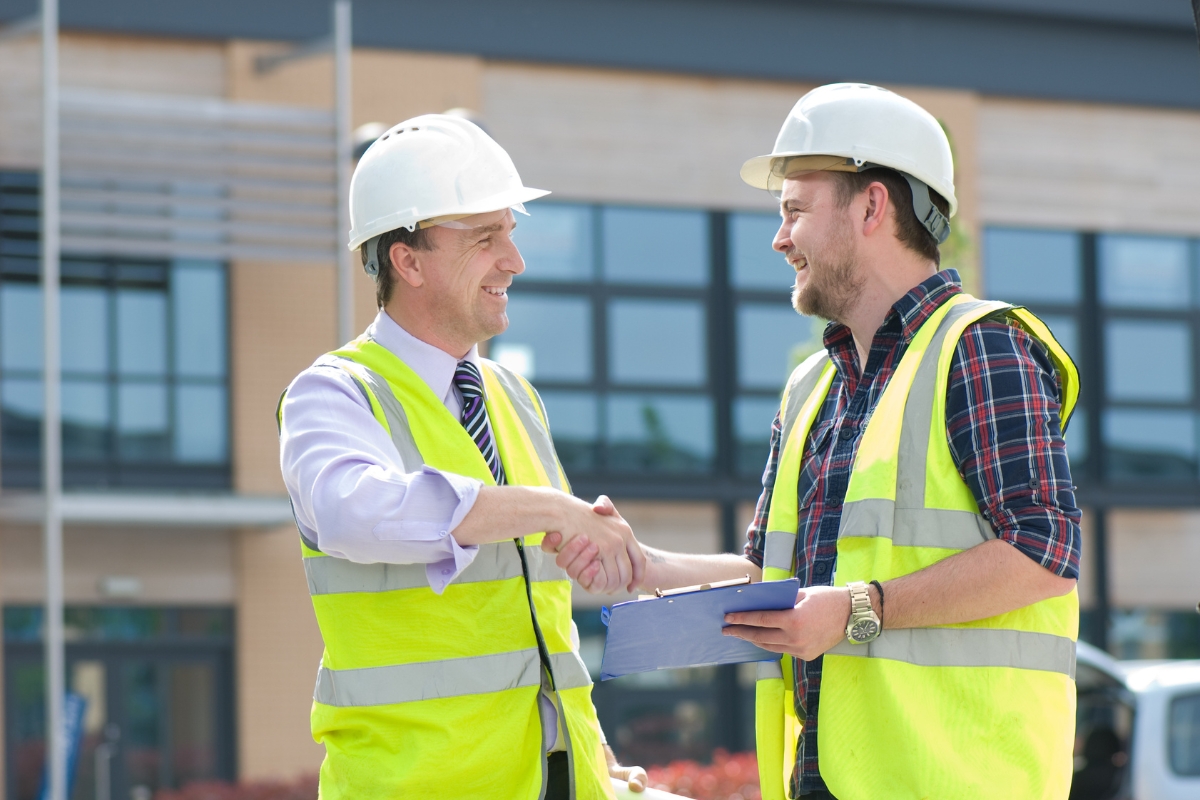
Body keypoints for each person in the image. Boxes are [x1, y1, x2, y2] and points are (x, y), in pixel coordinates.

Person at [552, 83, 1082, 800]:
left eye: (794, 211)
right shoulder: (813, 388)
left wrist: (860, 608)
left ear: (871, 207)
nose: (778, 239)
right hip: (826, 778)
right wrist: (645, 565)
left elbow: (1043, 552)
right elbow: (777, 582)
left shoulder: (982, 346)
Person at [278, 114, 646, 800]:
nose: (515, 259)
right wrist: (552, 509)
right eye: (485, 238)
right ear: (407, 260)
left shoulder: (514, 397)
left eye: (511, 231)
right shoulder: (332, 395)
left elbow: (540, 615)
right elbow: (353, 514)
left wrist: (587, 750)